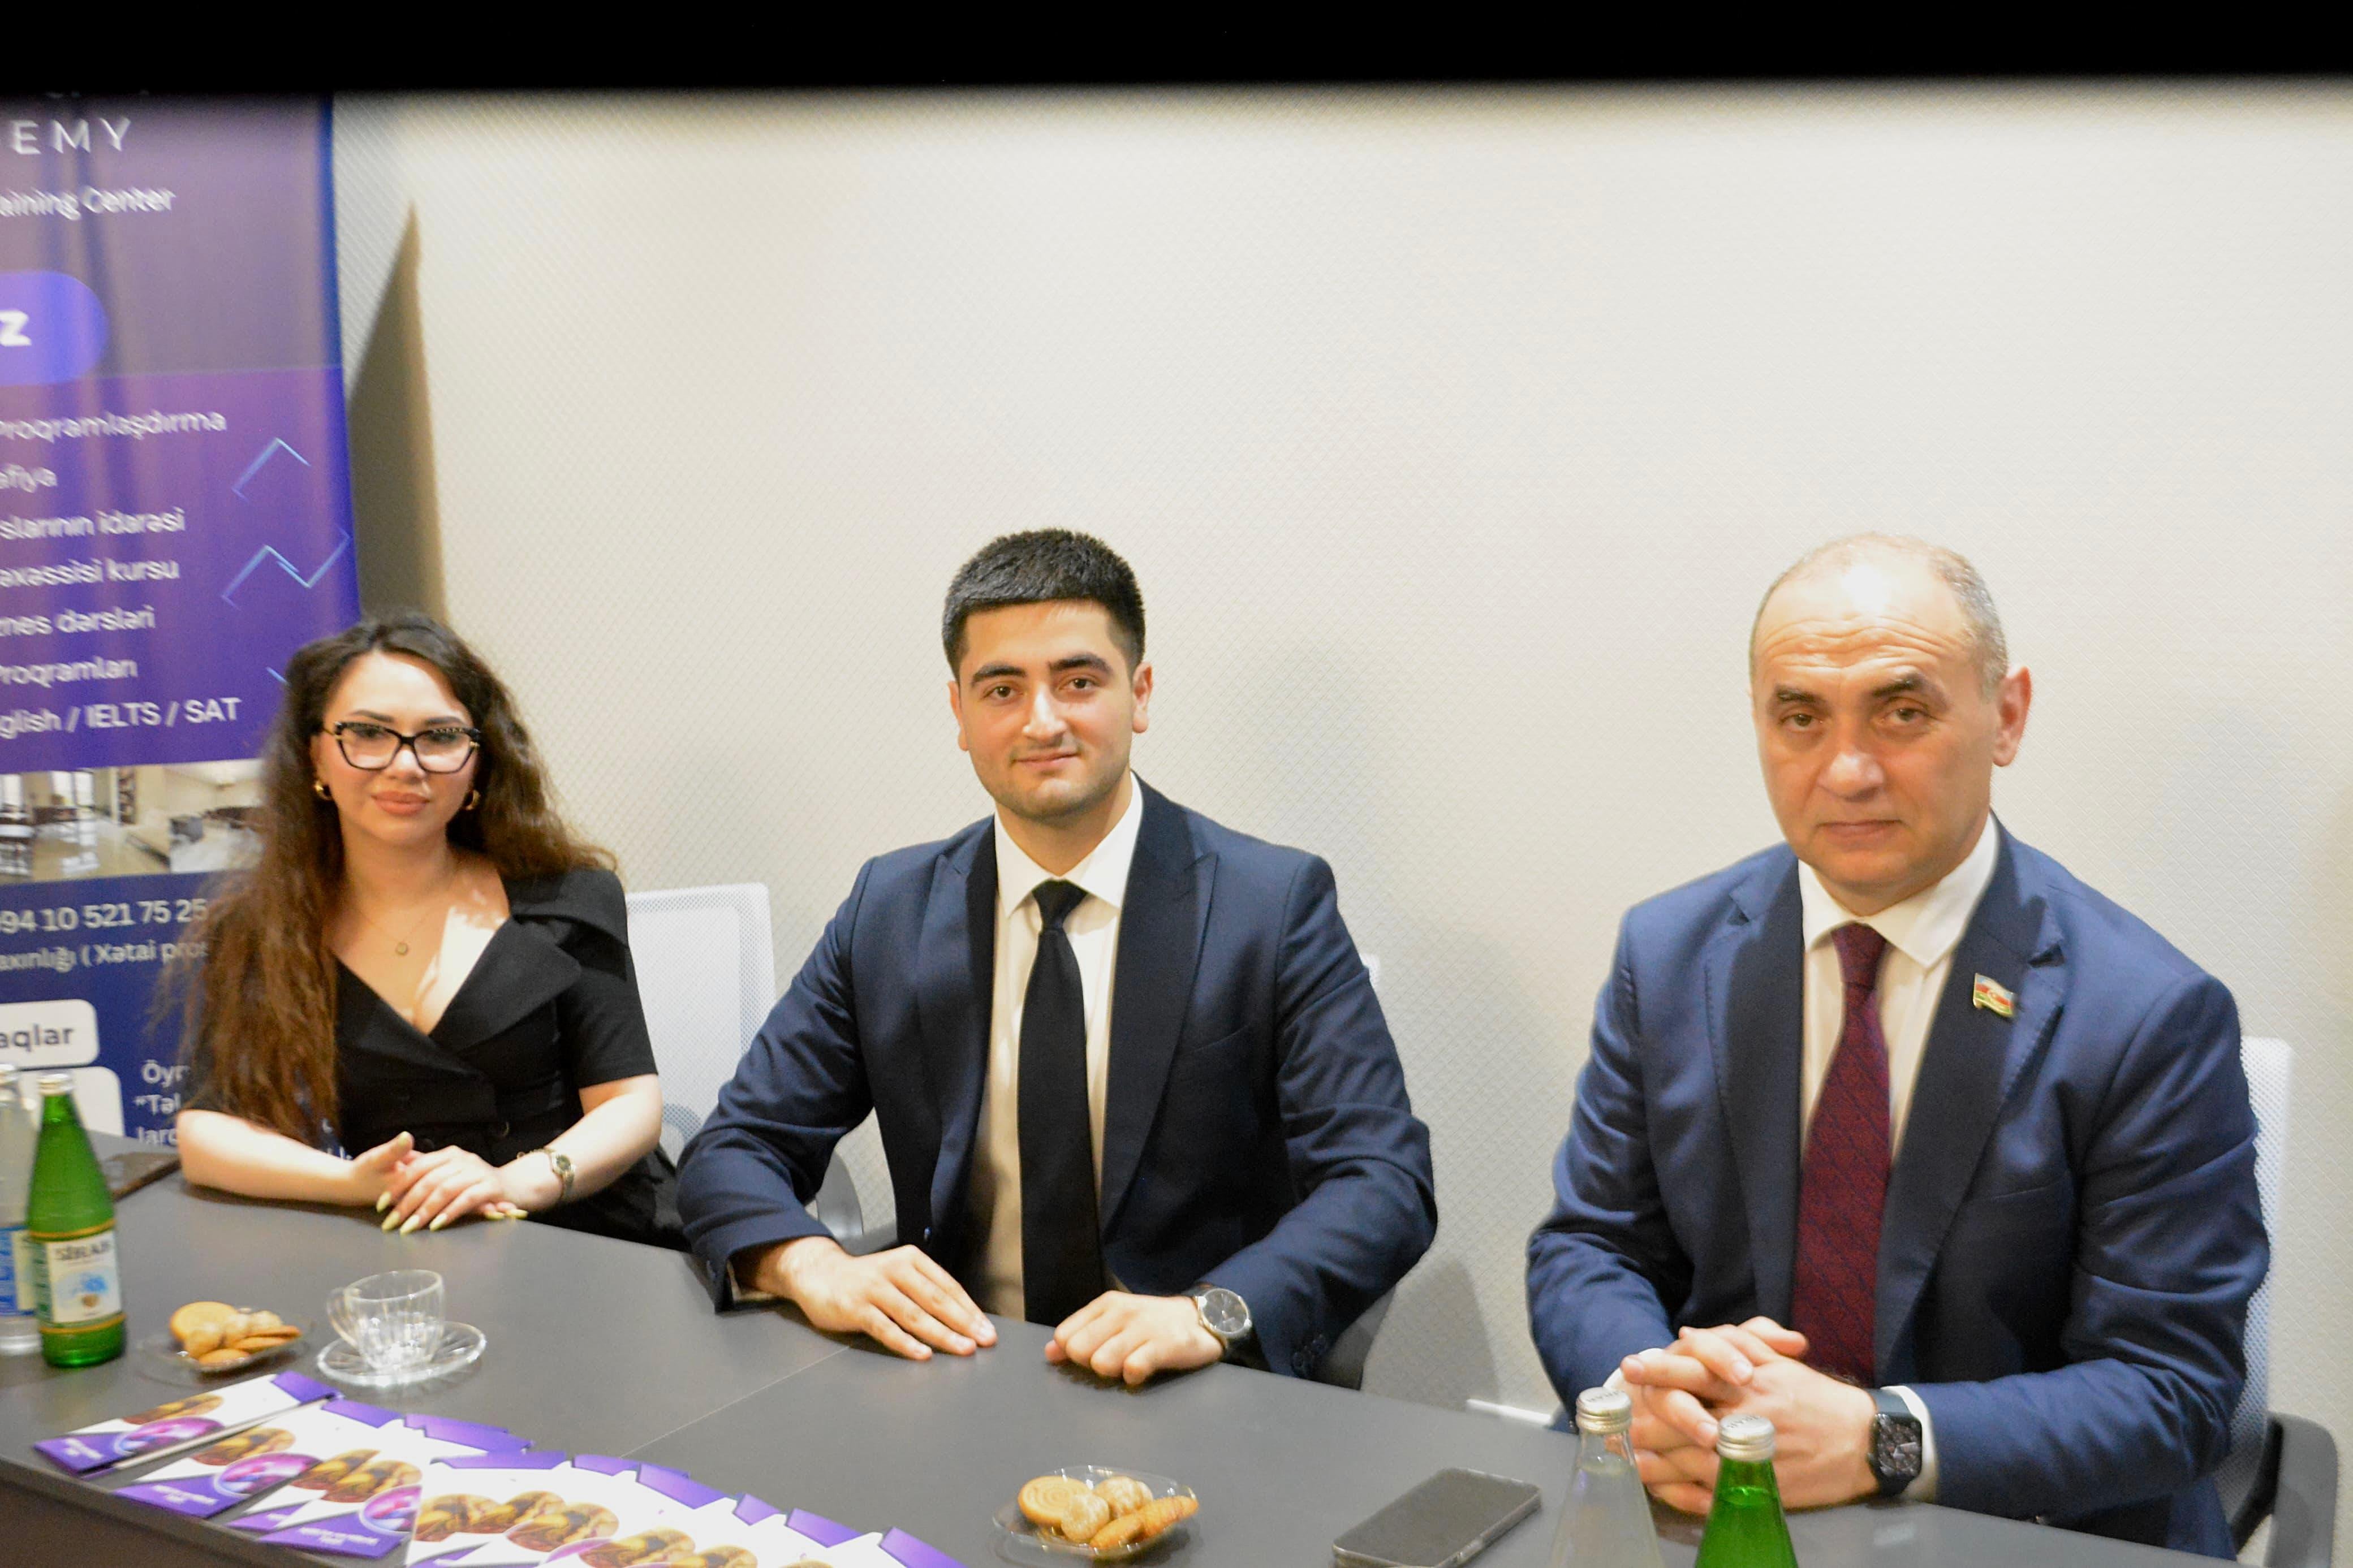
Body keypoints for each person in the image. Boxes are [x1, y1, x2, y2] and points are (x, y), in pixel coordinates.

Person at [1524, 536, 2266, 1557]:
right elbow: (1591, 1247)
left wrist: (1883, 1438)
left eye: (1903, 712)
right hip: (1719, 1507)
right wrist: (1653, 1391)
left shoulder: (2148, 1013)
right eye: (1801, 717)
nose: (1848, 770)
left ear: (2007, 716)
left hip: (2014, 1527)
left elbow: (2173, 1388)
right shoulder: (1669, 954)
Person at [678, 529, 1434, 1384]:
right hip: (958, 1366)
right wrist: (811, 1265)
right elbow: (735, 1146)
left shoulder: (1270, 905)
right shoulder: (890, 909)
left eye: (1078, 682)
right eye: (1002, 689)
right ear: (959, 714)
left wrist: (1212, 1313)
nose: (1042, 721)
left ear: (1139, 694)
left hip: (1190, 1376)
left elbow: (1383, 1182)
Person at [173, 611, 680, 1249]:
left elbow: (630, 1104)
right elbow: (208, 1133)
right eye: (368, 733)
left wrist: (514, 1182)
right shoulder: (263, 929)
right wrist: (353, 1182)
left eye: (439, 736)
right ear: (315, 755)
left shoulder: (569, 896)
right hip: (408, 1244)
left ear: (478, 762)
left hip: (594, 1235)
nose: (405, 764)